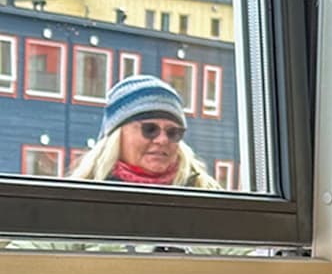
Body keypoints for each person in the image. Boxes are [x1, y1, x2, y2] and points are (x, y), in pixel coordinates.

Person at [70, 74, 220, 190]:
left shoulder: (207, 194)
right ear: (118, 135)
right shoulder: (82, 195)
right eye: (150, 129)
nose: (162, 140)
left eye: (172, 132)